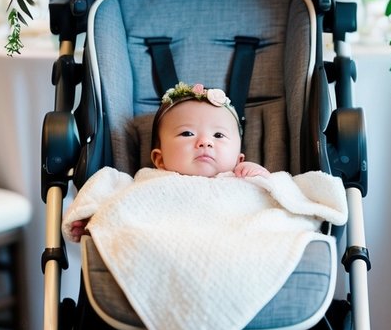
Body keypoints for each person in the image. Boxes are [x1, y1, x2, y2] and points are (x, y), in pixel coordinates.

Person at [63, 82, 269, 243]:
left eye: (218, 135)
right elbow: (116, 200)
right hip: (162, 242)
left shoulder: (240, 179)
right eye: (187, 133)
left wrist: (262, 179)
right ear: (159, 160)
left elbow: (276, 200)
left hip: (231, 241)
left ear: (238, 159)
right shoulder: (148, 182)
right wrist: (94, 216)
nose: (205, 142)